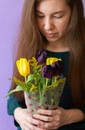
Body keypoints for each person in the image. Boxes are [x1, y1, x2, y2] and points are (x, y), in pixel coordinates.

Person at [7, 0, 85, 130]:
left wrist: (68, 116)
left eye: (58, 16)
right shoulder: (31, 45)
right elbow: (14, 97)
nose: (48, 26)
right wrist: (19, 114)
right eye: (40, 15)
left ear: (74, 13)